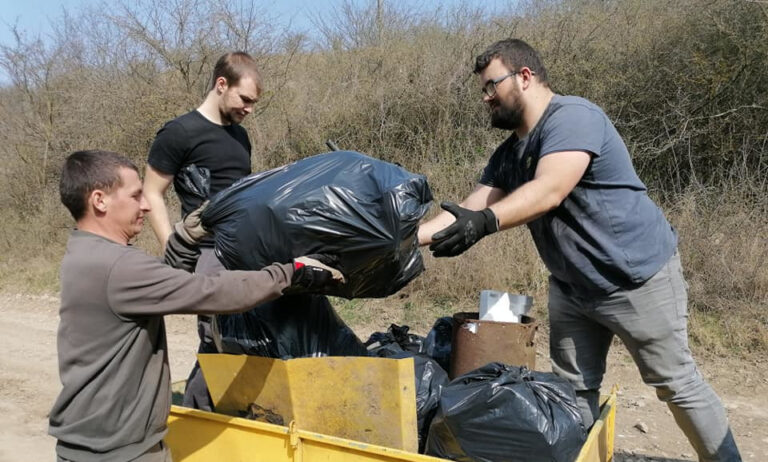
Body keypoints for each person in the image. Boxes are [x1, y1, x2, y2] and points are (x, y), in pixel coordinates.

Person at [418, 39, 741, 461]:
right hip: (572, 288)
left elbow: (549, 189)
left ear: (525, 77)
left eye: (491, 86)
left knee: (675, 383)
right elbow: (471, 207)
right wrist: (405, 241)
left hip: (635, 279)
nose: (486, 97)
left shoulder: (573, 117)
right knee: (573, 389)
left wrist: (485, 223)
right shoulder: (510, 153)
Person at [49, 150, 343, 462]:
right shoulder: (116, 266)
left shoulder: (87, 254)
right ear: (100, 200)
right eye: (136, 195)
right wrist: (289, 273)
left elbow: (163, 286)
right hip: (117, 453)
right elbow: (211, 292)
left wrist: (186, 239)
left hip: (94, 443)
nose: (146, 205)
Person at [143, 51, 261, 411]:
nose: (249, 109)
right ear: (221, 85)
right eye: (245, 99)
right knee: (216, 336)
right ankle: (199, 419)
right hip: (204, 253)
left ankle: (231, 414)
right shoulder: (178, 133)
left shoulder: (240, 137)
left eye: (254, 103)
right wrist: (175, 249)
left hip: (242, 250)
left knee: (243, 335)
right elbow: (151, 193)